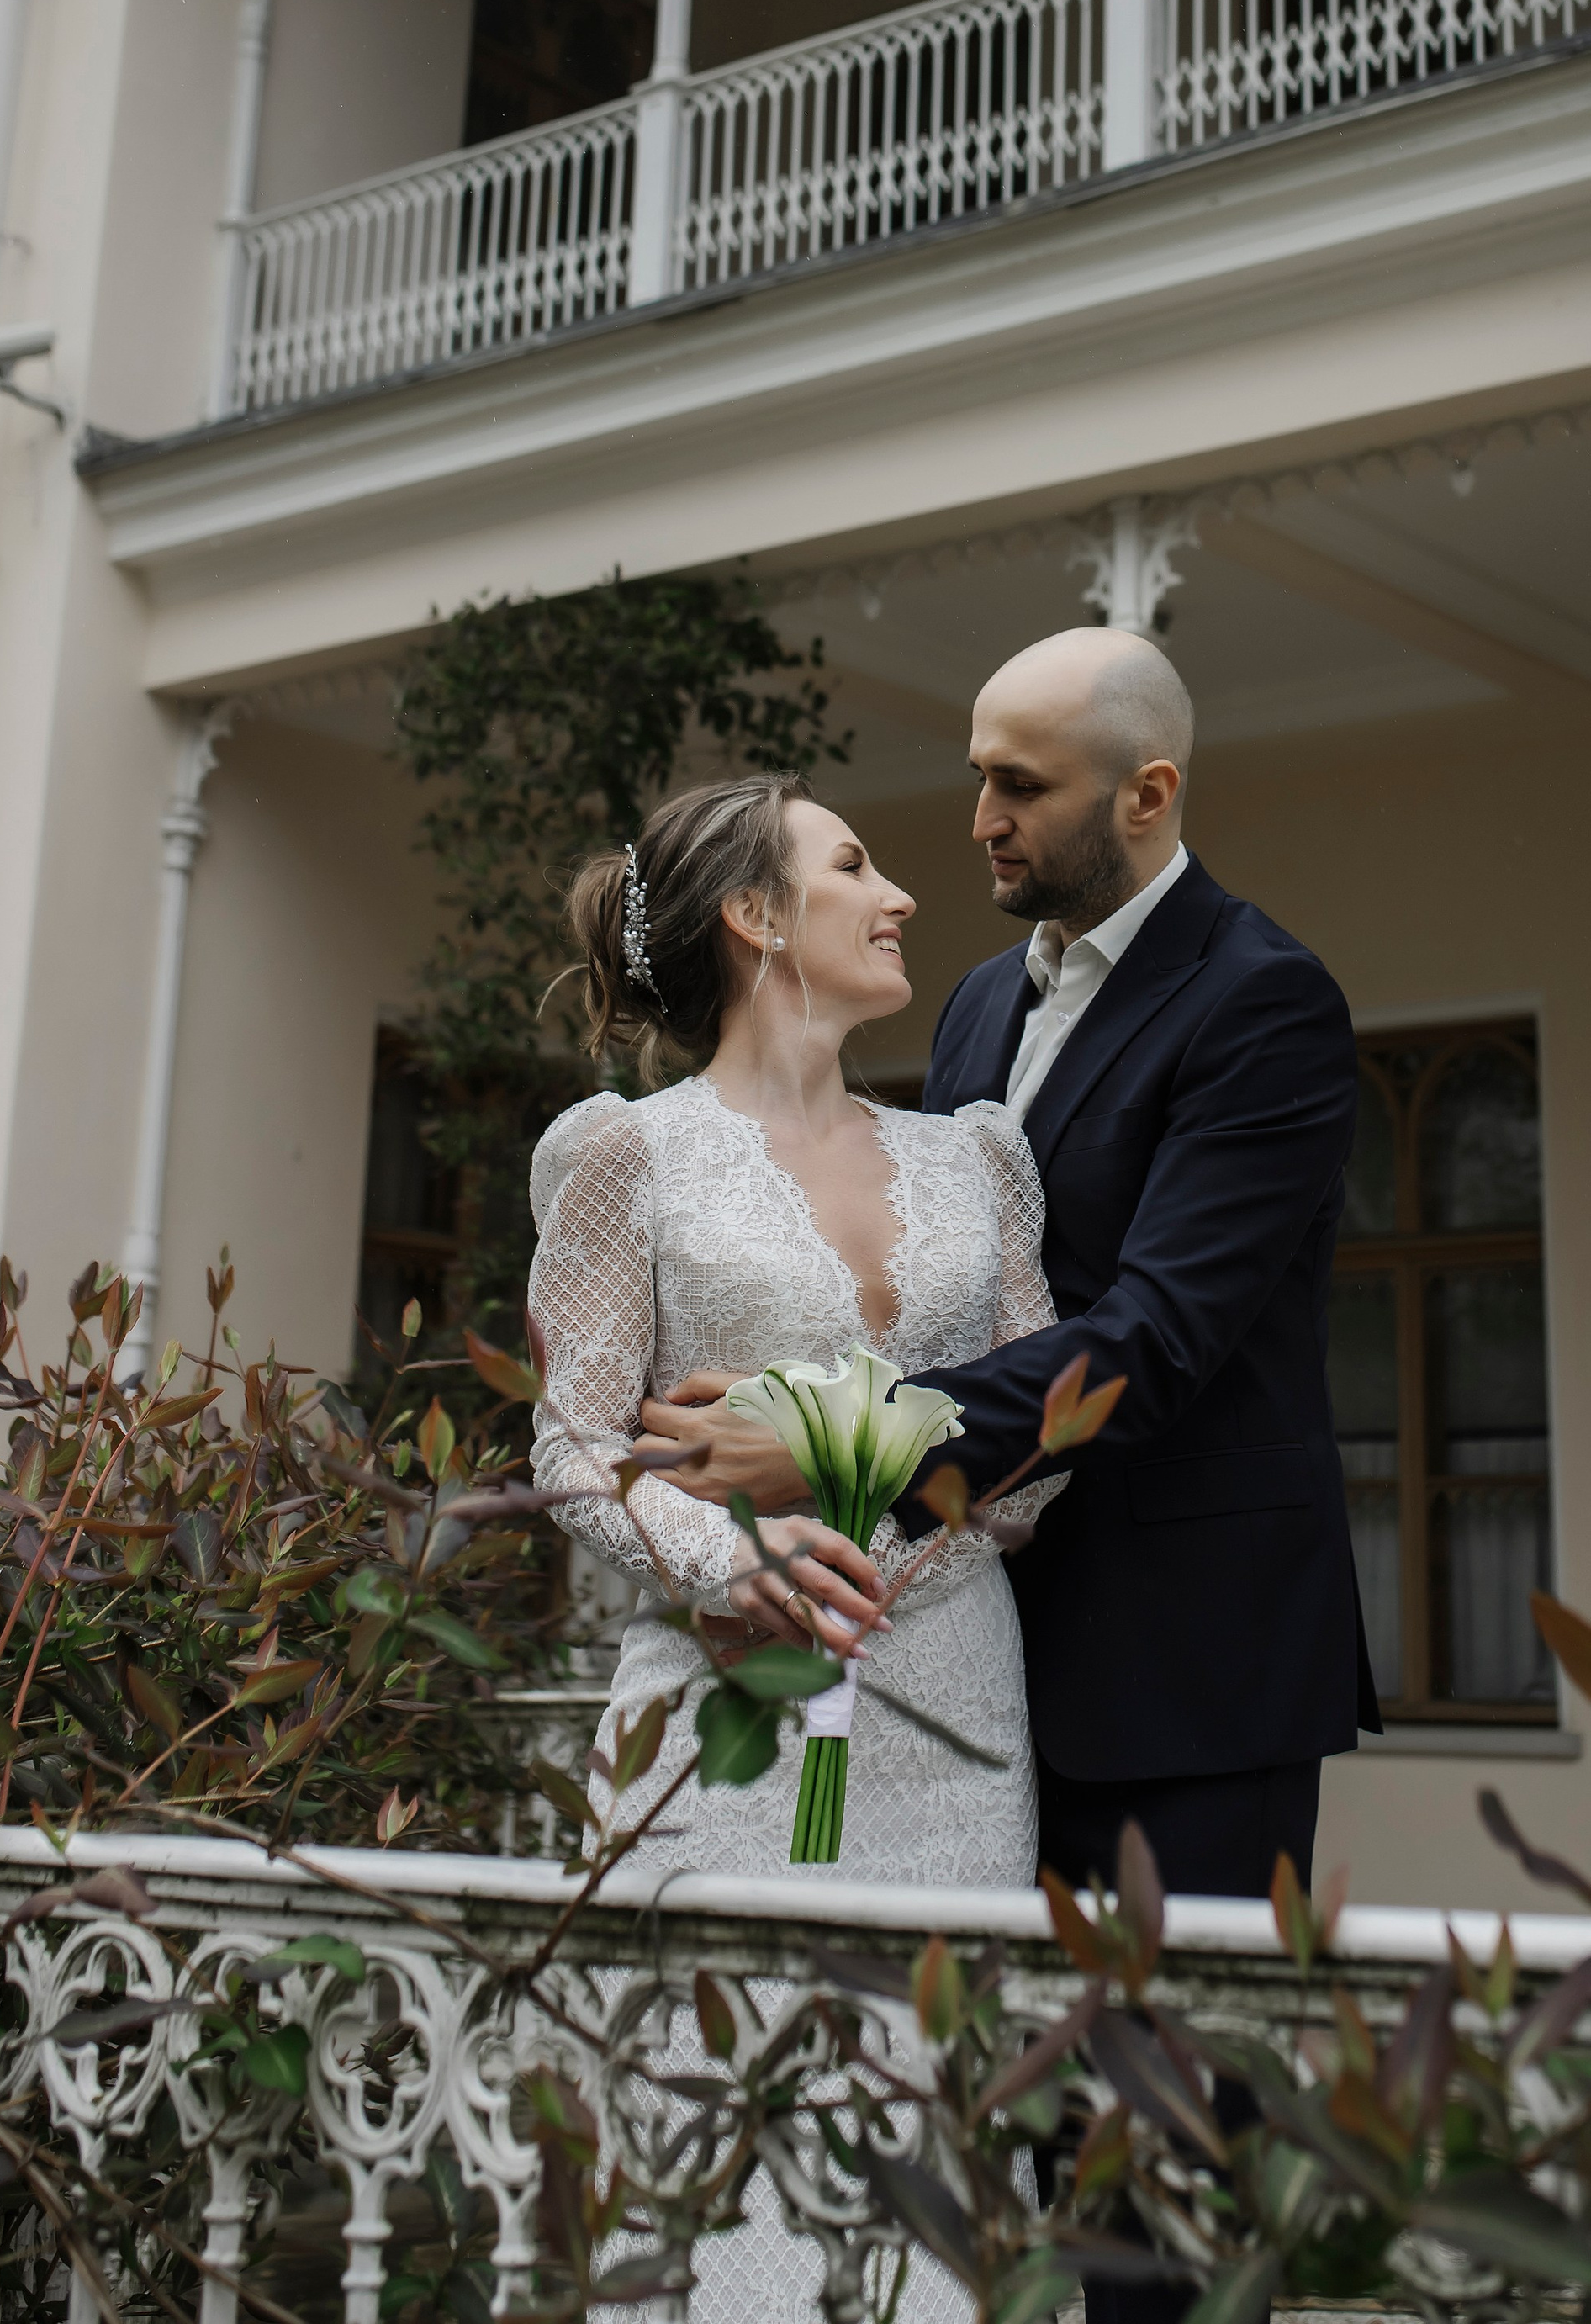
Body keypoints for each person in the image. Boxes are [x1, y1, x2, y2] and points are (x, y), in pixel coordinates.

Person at [644, 630, 1376, 1918]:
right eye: (981, 777)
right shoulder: (979, 1002)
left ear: (1146, 795)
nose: (981, 819)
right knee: (986, 2089)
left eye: (1023, 788)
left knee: (1171, 2094)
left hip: (1183, 1663)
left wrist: (829, 1437)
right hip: (958, 1642)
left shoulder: (1266, 1002)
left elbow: (1153, 1336)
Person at [528, 774, 1065, 2324]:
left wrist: (841, 1433)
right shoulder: (631, 1156)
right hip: (724, 1710)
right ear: (759, 919)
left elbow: (1040, 1456)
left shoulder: (979, 1159)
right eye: (855, 866)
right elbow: (571, 1443)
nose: (901, 893)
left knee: (933, 2122)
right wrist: (723, 1563)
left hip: (954, 1702)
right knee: (723, 2130)